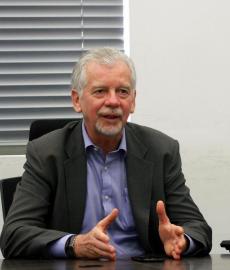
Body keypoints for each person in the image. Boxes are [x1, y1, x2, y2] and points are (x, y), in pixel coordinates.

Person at [0, 47, 212, 260]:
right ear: (77, 100)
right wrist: (75, 244)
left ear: (133, 101)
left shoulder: (161, 151)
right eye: (100, 91)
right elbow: (14, 234)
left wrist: (182, 241)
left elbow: (198, 228)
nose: (113, 102)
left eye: (123, 91)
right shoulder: (47, 153)